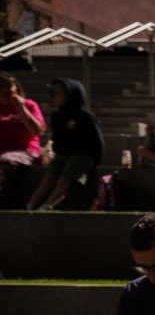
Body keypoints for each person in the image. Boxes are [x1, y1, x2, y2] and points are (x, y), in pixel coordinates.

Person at [26, 79, 104, 212]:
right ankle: (30, 205)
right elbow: (58, 138)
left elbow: (97, 141)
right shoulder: (57, 116)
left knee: (63, 180)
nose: (54, 96)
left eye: (58, 93)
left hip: (83, 154)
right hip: (63, 154)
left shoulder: (85, 117)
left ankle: (46, 206)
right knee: (48, 179)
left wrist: (95, 159)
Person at [0, 73, 45, 207]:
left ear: (16, 88)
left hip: (24, 151)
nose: (5, 90)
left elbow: (37, 131)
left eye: (8, 86)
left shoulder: (29, 105)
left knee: (5, 162)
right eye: (1, 86)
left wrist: (22, 108)